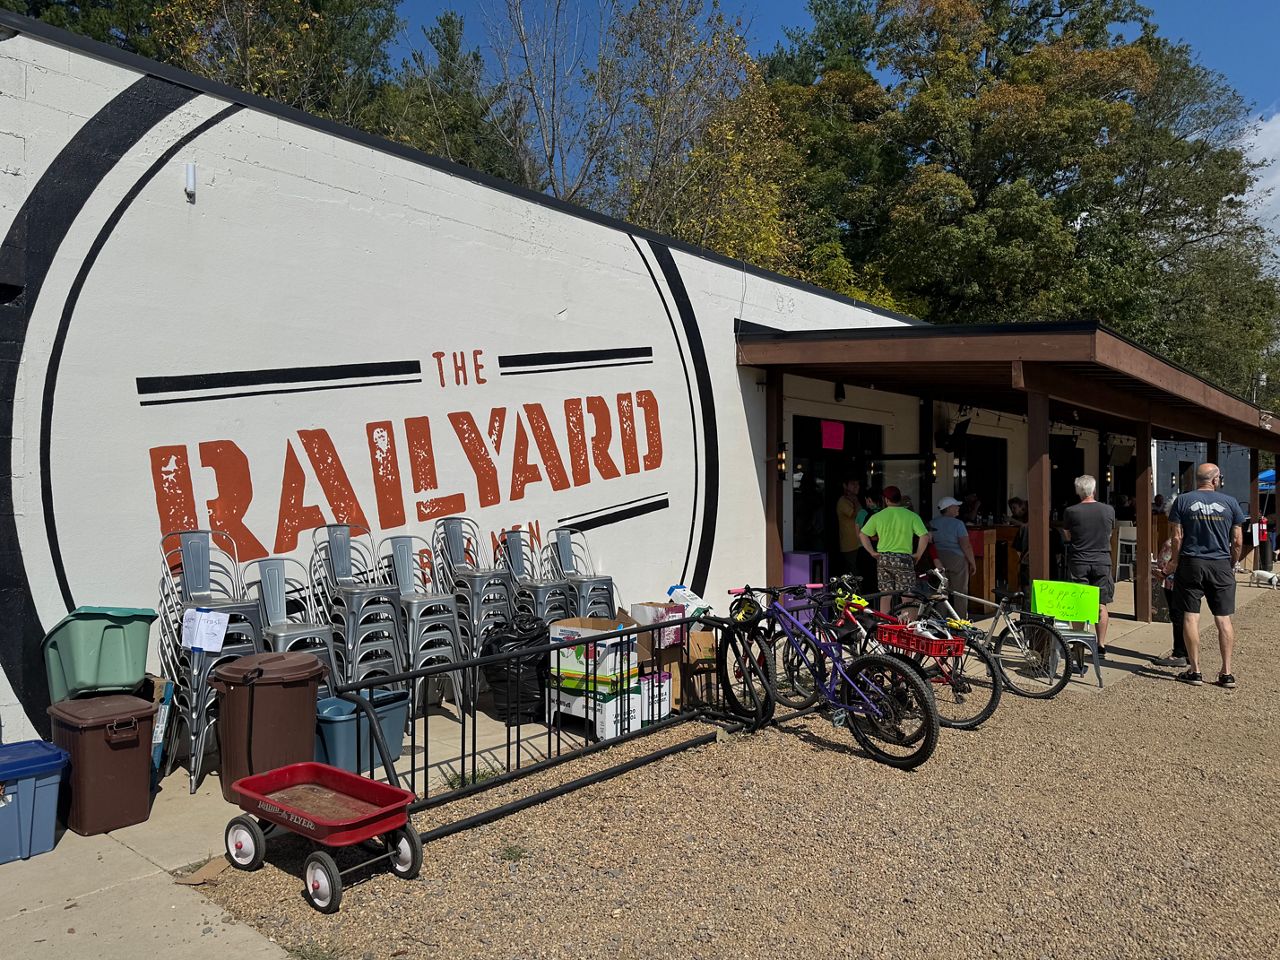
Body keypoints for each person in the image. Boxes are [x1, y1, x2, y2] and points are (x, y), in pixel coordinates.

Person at [1161, 463, 1245, 688]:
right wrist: (1232, 562)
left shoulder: (1183, 501)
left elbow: (1177, 537)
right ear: (1216, 479)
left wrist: (1174, 562)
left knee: (1190, 615)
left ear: (1197, 480)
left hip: (1191, 562)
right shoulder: (1230, 503)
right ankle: (1226, 672)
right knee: (1223, 618)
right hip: (1220, 563)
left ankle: (1195, 670)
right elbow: (1237, 540)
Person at [1060, 475, 1116, 655]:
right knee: (1101, 604)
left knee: (1079, 604)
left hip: (1079, 560)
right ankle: (1101, 644)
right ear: (1094, 489)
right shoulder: (1108, 510)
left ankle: (1078, 643)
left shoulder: (1071, 511)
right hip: (1101, 560)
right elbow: (1109, 535)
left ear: (1078, 491)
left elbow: (1067, 536)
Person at [860, 485, 930, 613]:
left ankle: (885, 627)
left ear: (886, 500)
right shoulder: (911, 516)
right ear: (899, 499)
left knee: (885, 596)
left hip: (884, 558)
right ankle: (907, 628)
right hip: (904, 559)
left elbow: (863, 534)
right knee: (907, 596)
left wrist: (872, 552)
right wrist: (918, 554)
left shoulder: (878, 516)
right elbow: (924, 536)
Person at [930, 497, 976, 617]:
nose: (958, 508)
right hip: (957, 559)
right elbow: (966, 545)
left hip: (938, 558)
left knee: (942, 590)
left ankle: (940, 618)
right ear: (949, 508)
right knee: (960, 591)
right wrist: (972, 562)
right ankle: (960, 620)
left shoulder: (933, 522)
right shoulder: (958, 524)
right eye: (955, 506)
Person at [1151, 536, 1187, 668]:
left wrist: (1162, 572)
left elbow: (1168, 563)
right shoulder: (1194, 538)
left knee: (1178, 617)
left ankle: (1179, 652)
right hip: (1188, 583)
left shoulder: (1173, 542)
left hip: (1172, 582)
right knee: (1187, 617)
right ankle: (1187, 651)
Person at [835, 477, 862, 579]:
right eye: (853, 483)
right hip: (849, 544)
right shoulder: (843, 501)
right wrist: (855, 502)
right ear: (845, 485)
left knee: (858, 572)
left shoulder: (855, 500)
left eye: (857, 484)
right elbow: (854, 514)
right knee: (853, 573)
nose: (856, 486)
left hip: (859, 543)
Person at [1008, 496, 1029, 590]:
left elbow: (1027, 526)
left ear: (1022, 507)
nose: (1012, 510)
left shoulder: (1028, 514)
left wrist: (1013, 521)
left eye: (1014, 508)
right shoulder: (1015, 517)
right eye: (1011, 508)